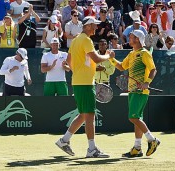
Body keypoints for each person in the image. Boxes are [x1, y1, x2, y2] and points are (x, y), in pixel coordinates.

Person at [55, 16, 115, 158]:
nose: (96, 27)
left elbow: (69, 61)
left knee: (83, 115)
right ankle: (92, 149)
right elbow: (96, 59)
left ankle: (64, 140)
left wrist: (77, 70)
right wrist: (108, 56)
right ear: (87, 26)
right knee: (90, 115)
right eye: (94, 25)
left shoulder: (76, 40)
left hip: (79, 81)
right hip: (86, 83)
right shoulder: (86, 40)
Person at [109, 30, 160, 158]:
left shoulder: (144, 53)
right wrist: (111, 59)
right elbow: (121, 67)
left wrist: (147, 82)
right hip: (133, 91)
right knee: (137, 119)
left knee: (133, 118)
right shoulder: (132, 54)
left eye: (131, 37)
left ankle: (152, 139)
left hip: (140, 91)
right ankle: (137, 148)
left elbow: (153, 69)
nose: (129, 38)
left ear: (137, 39)